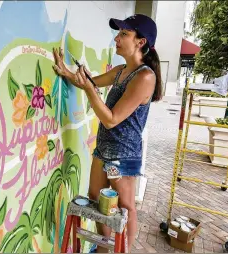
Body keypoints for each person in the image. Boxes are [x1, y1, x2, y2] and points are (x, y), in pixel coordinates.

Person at [52, 14, 162, 253]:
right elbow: (89, 82)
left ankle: (122, 250)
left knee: (124, 207)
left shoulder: (144, 77)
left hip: (121, 158)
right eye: (119, 33)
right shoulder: (122, 70)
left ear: (140, 42)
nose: (117, 38)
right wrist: (66, 72)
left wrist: (90, 89)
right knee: (96, 198)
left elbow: (111, 119)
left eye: (124, 34)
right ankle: (105, 247)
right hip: (104, 150)